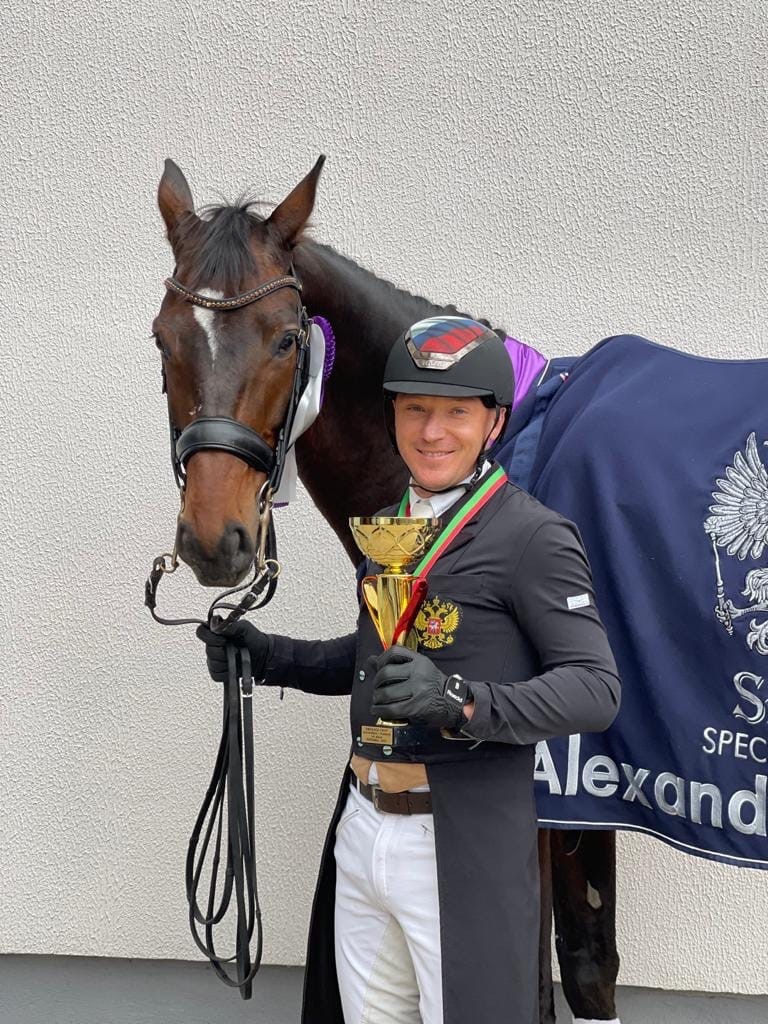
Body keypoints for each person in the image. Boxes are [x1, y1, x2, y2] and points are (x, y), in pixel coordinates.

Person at [198, 315, 621, 1024]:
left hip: (457, 840)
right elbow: (374, 660)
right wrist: (272, 656)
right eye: (416, 409)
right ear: (392, 414)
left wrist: (460, 702)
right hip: (364, 827)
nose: (432, 432)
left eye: (457, 413)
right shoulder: (390, 527)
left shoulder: (534, 537)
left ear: (494, 423)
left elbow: (595, 689)